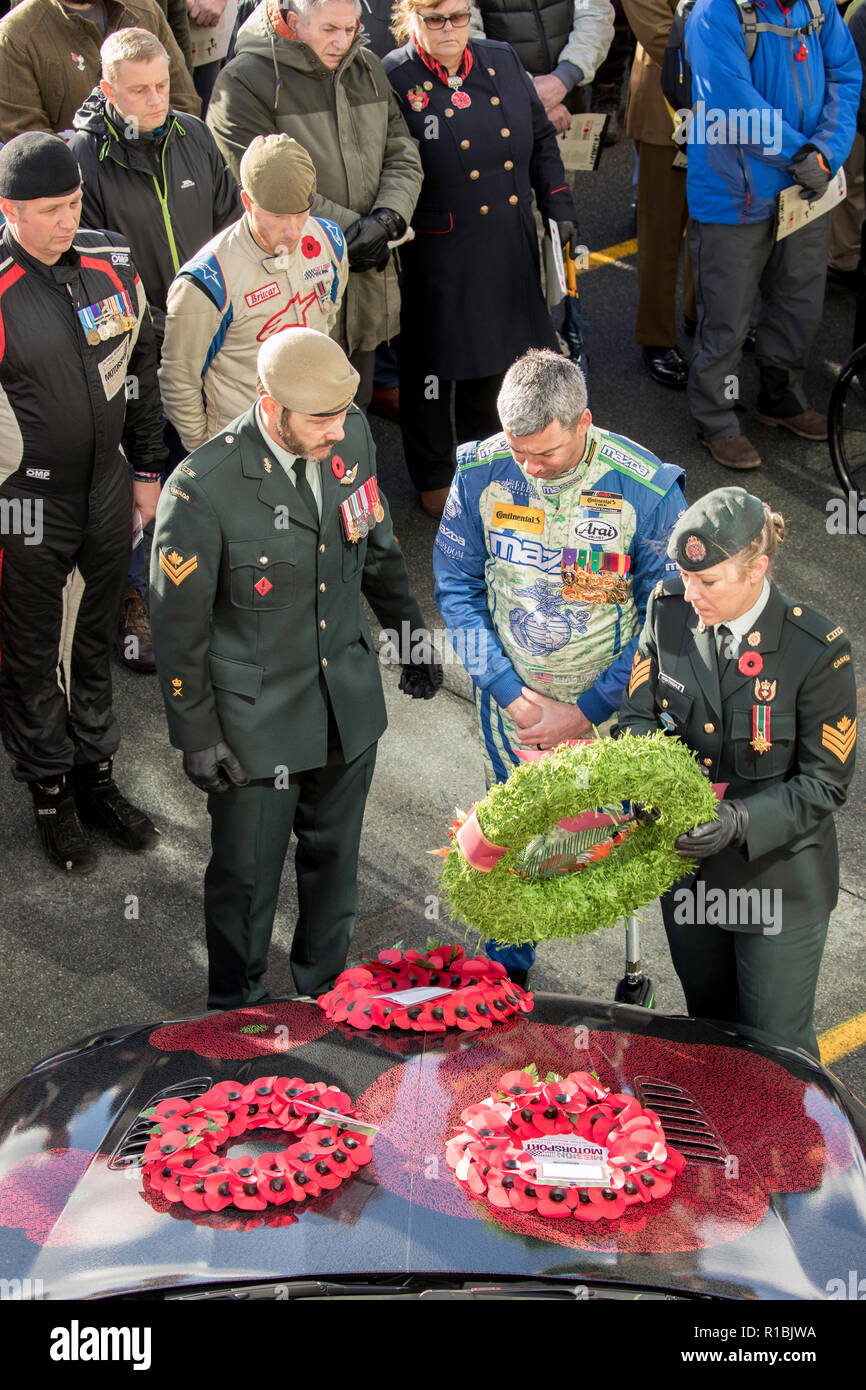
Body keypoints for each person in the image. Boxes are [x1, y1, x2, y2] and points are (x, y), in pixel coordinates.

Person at [149, 329, 442, 1008]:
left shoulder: (353, 439)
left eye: (342, 414)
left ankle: (326, 1000)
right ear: (269, 402)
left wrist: (409, 635)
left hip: (344, 700)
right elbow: (178, 624)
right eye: (319, 419)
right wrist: (195, 733)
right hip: (253, 724)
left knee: (334, 865)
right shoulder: (203, 488)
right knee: (245, 882)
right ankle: (235, 1013)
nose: (336, 432)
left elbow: (375, 547)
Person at [433, 347, 686, 984]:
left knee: (608, 839)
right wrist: (507, 692)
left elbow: (669, 620)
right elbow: (455, 591)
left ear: (584, 422)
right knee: (512, 839)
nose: (529, 468)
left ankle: (626, 979)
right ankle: (502, 983)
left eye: (544, 453)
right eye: (517, 450)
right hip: (514, 706)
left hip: (613, 710)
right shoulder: (479, 471)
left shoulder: (649, 490)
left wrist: (588, 711)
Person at [617, 488, 857, 1058]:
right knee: (713, 1035)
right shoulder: (667, 607)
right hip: (688, 874)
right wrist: (649, 788)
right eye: (686, 576)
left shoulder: (816, 651)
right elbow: (637, 717)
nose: (692, 592)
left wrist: (739, 818)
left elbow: (826, 783)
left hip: (775, 884)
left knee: (776, 1051)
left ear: (758, 570)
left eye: (710, 581)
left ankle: (799, 1150)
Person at [0, 132, 164, 873]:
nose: (69, 221)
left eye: (73, 204)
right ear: (9, 211)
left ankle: (97, 777)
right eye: (50, 210)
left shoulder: (111, 261)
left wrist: (148, 466)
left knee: (93, 639)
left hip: (106, 488)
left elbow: (143, 364)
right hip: (24, 506)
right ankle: (49, 795)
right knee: (33, 653)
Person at [68, 27, 241, 670]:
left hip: (206, 340)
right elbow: (84, 268)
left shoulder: (194, 136)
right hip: (136, 349)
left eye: (163, 84)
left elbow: (229, 228)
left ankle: (198, 590)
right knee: (145, 475)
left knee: (202, 473)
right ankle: (135, 597)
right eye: (139, 89)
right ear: (108, 89)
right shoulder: (83, 157)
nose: (155, 98)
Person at [383, 0, 579, 518]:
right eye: (434, 20)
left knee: (499, 361)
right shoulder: (393, 76)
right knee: (433, 370)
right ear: (411, 19)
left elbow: (540, 139)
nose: (449, 30)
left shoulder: (500, 59)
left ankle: (490, 467)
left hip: (507, 241)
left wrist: (558, 204)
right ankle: (432, 477)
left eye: (458, 17)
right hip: (438, 249)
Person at [205, 0, 423, 409]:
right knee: (293, 417)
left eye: (351, 28)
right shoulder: (243, 81)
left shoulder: (367, 66)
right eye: (329, 30)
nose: (344, 41)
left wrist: (387, 219)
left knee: (350, 408)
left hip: (364, 274)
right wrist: (353, 232)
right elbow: (264, 187)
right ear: (291, 21)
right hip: (290, 285)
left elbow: (402, 150)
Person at [684, 0, 861, 469]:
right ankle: (718, 417)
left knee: (798, 302)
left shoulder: (817, 6)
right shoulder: (714, 14)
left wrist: (826, 152)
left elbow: (846, 74)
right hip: (734, 196)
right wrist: (802, 155)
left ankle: (780, 398)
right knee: (727, 319)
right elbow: (732, 104)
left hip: (806, 187)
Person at [159, 132, 348, 452]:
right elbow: (179, 382)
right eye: (277, 216)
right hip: (245, 446)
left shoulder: (330, 241)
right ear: (247, 202)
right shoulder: (207, 280)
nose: (292, 231)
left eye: (301, 213)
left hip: (313, 434)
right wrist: (209, 454)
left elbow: (329, 318)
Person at [621, 0, 696, 387]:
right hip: (665, 108)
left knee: (714, 222)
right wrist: (733, 53)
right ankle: (656, 337)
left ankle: (699, 313)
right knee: (661, 233)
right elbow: (659, 34)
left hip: (728, 107)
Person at [0, 0, 200, 142]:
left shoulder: (145, 10)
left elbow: (184, 102)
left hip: (159, 175)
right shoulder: (15, 37)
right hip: (77, 192)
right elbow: (28, 139)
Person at [468, 0, 615, 133]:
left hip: (568, 102)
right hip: (500, 110)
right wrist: (529, 95)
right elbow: (466, 36)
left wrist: (564, 77)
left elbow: (595, 13)